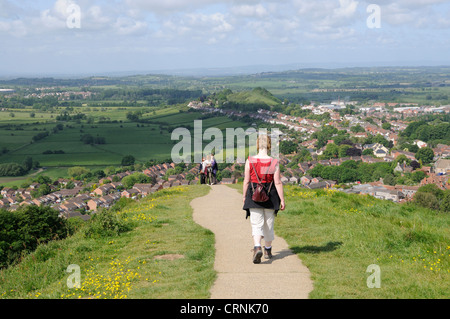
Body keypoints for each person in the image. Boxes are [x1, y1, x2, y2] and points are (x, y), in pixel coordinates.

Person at [242, 134, 285, 264]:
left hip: (254, 195)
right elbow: (277, 182)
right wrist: (282, 199)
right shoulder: (273, 162)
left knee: (256, 224)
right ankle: (268, 249)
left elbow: (246, 181)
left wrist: (244, 196)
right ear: (269, 145)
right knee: (268, 224)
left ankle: (257, 247)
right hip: (270, 196)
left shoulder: (250, 160)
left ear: (257, 144)